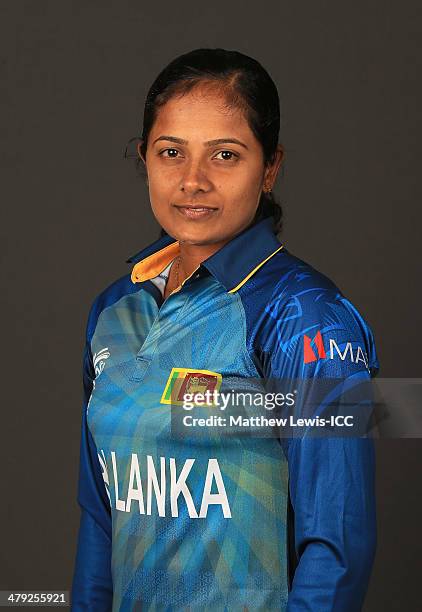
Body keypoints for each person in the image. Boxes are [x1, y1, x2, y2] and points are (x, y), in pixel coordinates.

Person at [70, 48, 379, 611]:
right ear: (145, 159)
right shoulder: (114, 310)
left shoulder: (305, 317)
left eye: (225, 155)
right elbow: (100, 515)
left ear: (270, 167)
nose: (193, 181)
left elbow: (337, 549)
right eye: (171, 153)